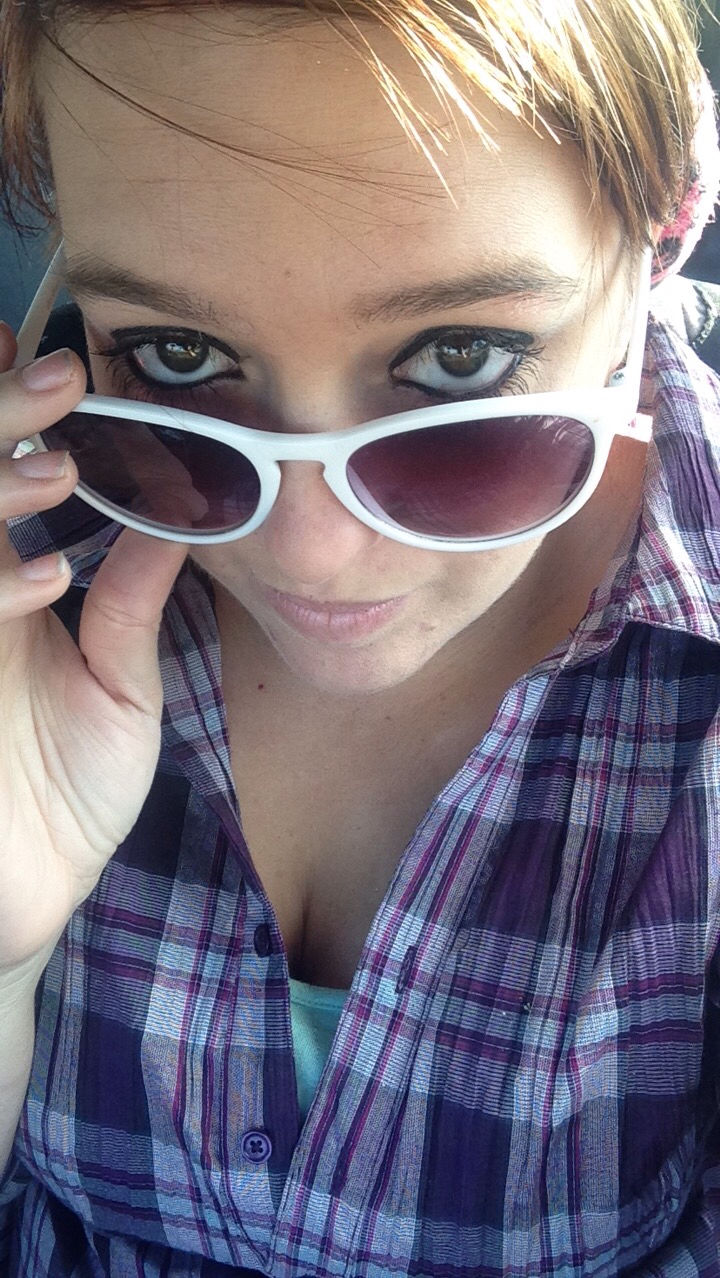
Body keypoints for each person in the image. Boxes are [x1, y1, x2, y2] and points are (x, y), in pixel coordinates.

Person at [0, 2, 719, 1275]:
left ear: (664, 228)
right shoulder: (32, 566)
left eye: (460, 358)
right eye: (178, 353)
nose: (309, 552)